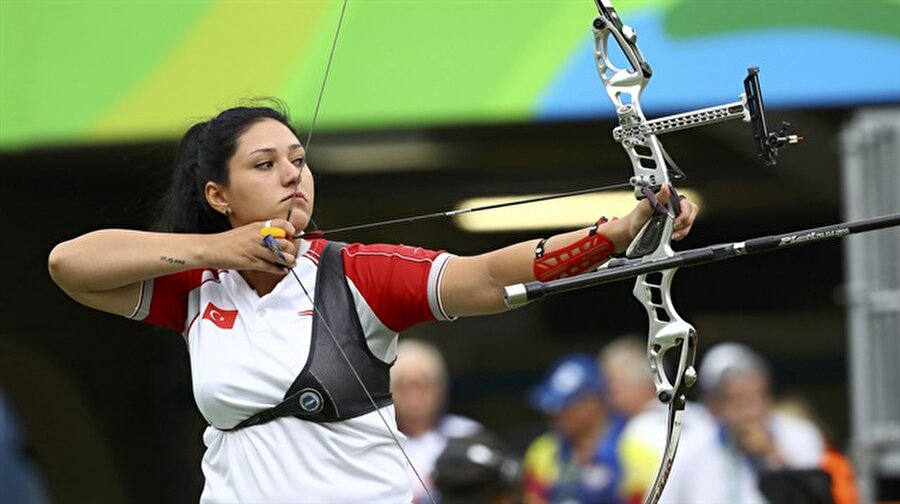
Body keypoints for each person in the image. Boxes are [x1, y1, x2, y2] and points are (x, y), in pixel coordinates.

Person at [47, 103, 698, 503]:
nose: (291, 175)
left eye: (298, 160)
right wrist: (215, 253)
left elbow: (487, 276)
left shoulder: (357, 275)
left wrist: (616, 231)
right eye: (265, 164)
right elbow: (69, 264)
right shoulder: (192, 290)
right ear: (219, 197)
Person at [660, 342, 827, 504]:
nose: (749, 412)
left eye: (755, 397)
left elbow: (814, 496)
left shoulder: (801, 436)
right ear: (715, 405)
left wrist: (771, 454)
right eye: (737, 401)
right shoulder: (688, 448)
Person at [599, 335, 712, 504]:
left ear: (643, 383)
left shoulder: (639, 431)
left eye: (613, 386)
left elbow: (642, 497)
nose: (608, 397)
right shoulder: (701, 414)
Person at [523, 354, 627, 504]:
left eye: (566, 407)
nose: (555, 414)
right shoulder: (543, 450)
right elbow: (533, 498)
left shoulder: (632, 443)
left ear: (593, 402)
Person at [391, 339, 482, 503]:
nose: (414, 395)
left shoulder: (468, 433)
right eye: (403, 385)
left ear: (440, 389)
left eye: (423, 384)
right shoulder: (377, 441)